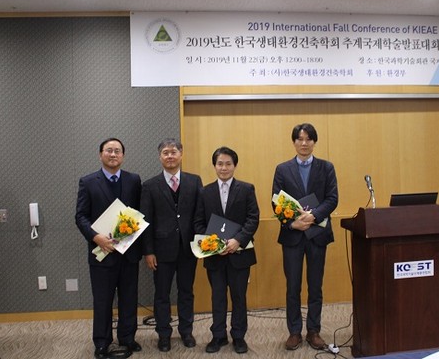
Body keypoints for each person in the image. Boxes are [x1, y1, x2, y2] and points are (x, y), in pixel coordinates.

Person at [271, 123, 338, 351]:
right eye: (299, 139)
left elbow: (332, 198)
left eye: (308, 139)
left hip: (317, 234)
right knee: (293, 286)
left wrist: (313, 216)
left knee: (315, 286)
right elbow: (276, 202)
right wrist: (293, 223)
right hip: (293, 236)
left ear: (314, 142)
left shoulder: (326, 167)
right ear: (294, 142)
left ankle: (313, 331)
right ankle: (294, 332)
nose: (304, 143)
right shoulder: (282, 169)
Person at [75, 138, 142, 359]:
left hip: (129, 252)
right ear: (100, 154)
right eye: (109, 150)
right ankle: (102, 342)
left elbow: (140, 212)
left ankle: (127, 338)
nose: (113, 154)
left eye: (117, 151)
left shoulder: (134, 180)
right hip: (102, 252)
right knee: (103, 300)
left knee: (129, 298)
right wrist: (96, 237)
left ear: (123, 155)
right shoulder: (88, 182)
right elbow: (81, 216)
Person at [194, 147, 259, 354]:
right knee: (218, 297)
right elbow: (198, 223)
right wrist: (214, 245)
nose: (224, 168)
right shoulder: (204, 192)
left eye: (228, 164)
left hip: (239, 253)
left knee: (239, 297)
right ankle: (218, 336)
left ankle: (238, 336)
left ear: (234, 165)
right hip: (215, 256)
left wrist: (237, 240)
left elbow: (253, 219)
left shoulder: (246, 189)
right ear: (214, 166)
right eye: (220, 164)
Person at [140, 138, 203, 352]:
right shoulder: (149, 185)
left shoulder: (194, 181)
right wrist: (148, 251)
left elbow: (199, 215)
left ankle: (186, 331)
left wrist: (200, 243)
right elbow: (146, 221)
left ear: (181, 154)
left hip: (188, 249)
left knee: (186, 292)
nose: (170, 156)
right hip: (161, 251)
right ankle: (164, 334)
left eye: (173, 152)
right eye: (165, 152)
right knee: (162, 295)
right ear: (160, 157)